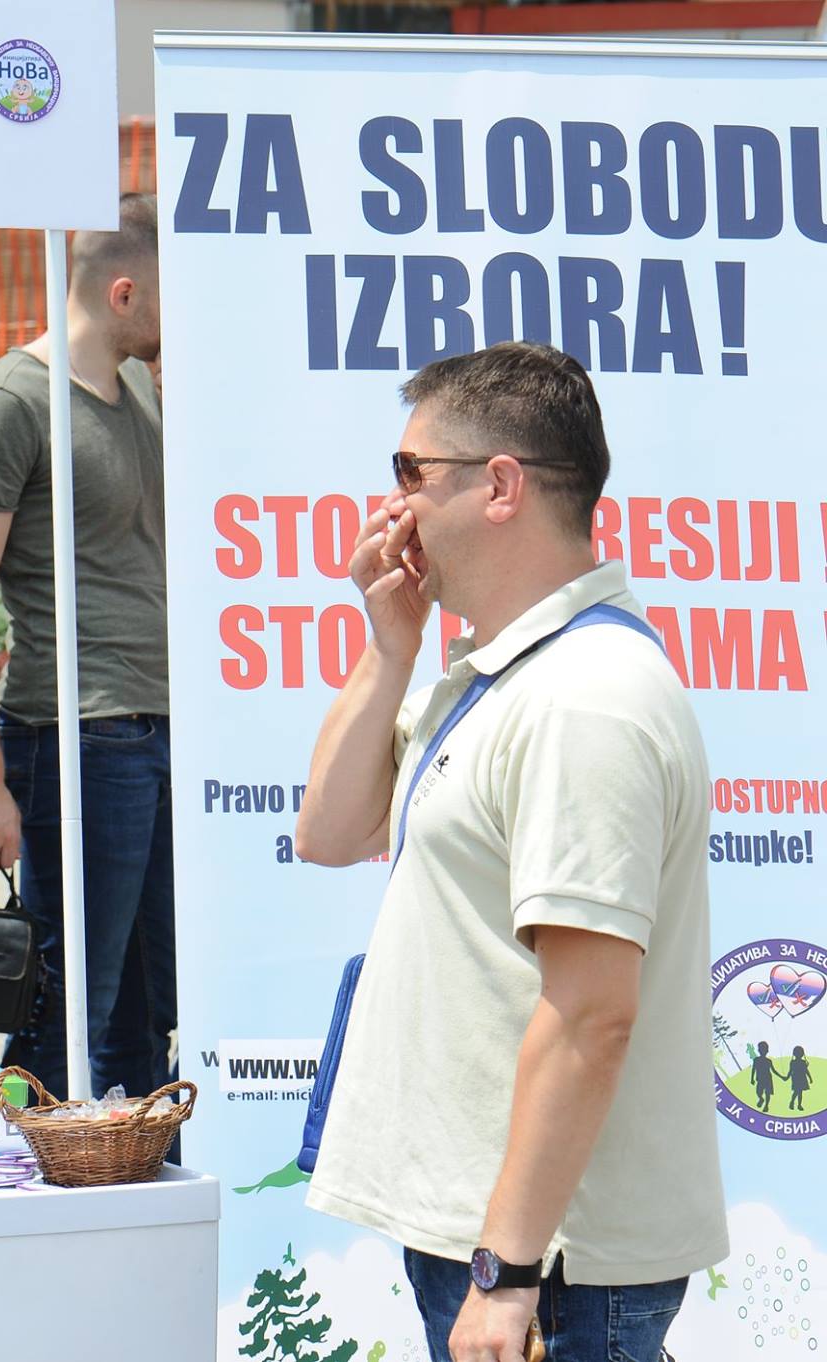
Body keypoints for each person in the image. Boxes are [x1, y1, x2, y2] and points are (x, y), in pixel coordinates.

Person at [295, 342, 726, 1362]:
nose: (393, 506)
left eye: (411, 472)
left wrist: (506, 1273)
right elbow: (328, 833)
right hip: (504, 1245)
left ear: (498, 486)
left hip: (548, 1269)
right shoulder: (514, 672)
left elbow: (591, 1014)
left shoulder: (584, 698)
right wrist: (389, 646)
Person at [0, 192, 173, 1101]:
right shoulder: (11, 401)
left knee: (146, 1005)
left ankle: (131, 1171)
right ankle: (22, 1169)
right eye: (174, 295)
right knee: (68, 1002)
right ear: (124, 294)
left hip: (157, 724)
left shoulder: (139, 388)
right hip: (77, 732)